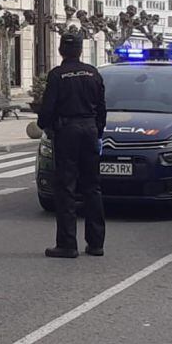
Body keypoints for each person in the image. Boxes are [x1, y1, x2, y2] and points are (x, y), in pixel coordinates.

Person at [37, 33, 106, 258]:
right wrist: (98, 131)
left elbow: (47, 108)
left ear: (61, 51)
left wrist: (46, 126)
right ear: (80, 50)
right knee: (92, 187)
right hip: (89, 129)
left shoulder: (58, 75)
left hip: (67, 131)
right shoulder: (93, 73)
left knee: (66, 188)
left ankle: (67, 244)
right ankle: (96, 243)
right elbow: (102, 107)